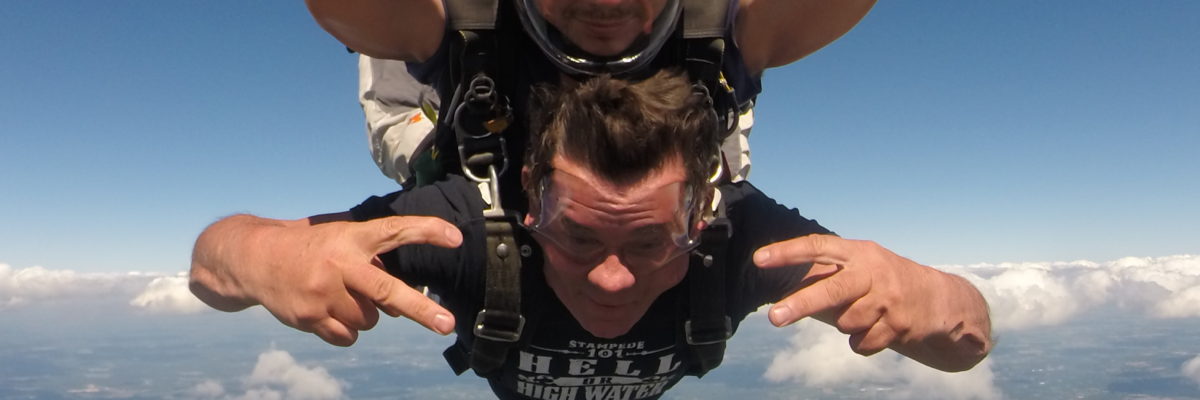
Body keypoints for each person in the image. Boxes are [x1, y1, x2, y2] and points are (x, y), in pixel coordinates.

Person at [190, 70, 991, 399]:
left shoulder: (739, 240)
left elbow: (968, 339)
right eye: (577, 239)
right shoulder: (464, 229)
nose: (612, 278)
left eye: (649, 243)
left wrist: (933, 298)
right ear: (532, 201)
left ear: (699, 219)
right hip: (484, 159)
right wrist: (267, 258)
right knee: (410, 139)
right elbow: (207, 265)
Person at [320, 0, 877, 210]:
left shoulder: (712, 24)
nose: (607, 2)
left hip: (684, 142)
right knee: (424, 146)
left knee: (711, 171)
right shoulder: (471, 19)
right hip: (488, 165)